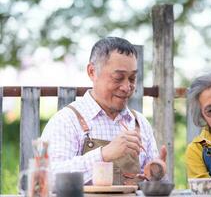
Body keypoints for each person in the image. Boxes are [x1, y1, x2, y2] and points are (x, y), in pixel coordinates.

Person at [41, 37, 166, 185]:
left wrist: (156, 176)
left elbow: (153, 184)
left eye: (132, 78)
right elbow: (47, 178)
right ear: (92, 72)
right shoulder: (66, 121)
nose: (127, 87)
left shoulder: (140, 123)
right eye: (118, 78)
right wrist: (103, 154)